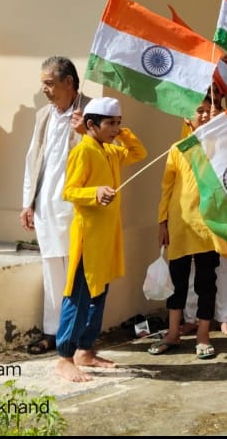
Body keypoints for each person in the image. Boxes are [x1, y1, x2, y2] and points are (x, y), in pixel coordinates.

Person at [55, 97, 146, 382]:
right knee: (79, 295)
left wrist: (123, 131)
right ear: (91, 125)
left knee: (98, 295)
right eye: (111, 124)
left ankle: (85, 350)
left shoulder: (110, 150)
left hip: (107, 237)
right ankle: (65, 357)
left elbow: (139, 152)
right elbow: (69, 191)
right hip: (88, 238)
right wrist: (94, 193)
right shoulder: (83, 151)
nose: (116, 129)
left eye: (118, 123)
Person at [148, 97, 227, 359]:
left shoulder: (220, 146)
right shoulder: (177, 148)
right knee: (177, 282)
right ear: (187, 118)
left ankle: (203, 335)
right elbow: (166, 188)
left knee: (206, 282)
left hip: (208, 226)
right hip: (179, 225)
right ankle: (173, 332)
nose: (205, 116)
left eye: (208, 111)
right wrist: (162, 222)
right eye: (200, 112)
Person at [20, 56, 85, 355]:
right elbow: (33, 159)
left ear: (68, 82)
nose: (45, 89)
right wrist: (27, 202)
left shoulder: (91, 111)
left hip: (76, 206)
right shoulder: (44, 115)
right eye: (43, 84)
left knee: (75, 272)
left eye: (49, 83)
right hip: (46, 204)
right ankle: (53, 332)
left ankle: (76, 336)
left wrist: (86, 132)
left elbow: (114, 149)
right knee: (51, 271)